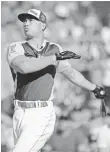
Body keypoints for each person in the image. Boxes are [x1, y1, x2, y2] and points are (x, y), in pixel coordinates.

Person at [7, 9, 106, 152]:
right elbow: (24, 66)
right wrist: (55, 58)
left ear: (42, 26)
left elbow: (70, 72)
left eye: (31, 20)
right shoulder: (16, 47)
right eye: (24, 21)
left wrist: (93, 88)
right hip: (19, 112)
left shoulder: (54, 49)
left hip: (41, 113)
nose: (26, 24)